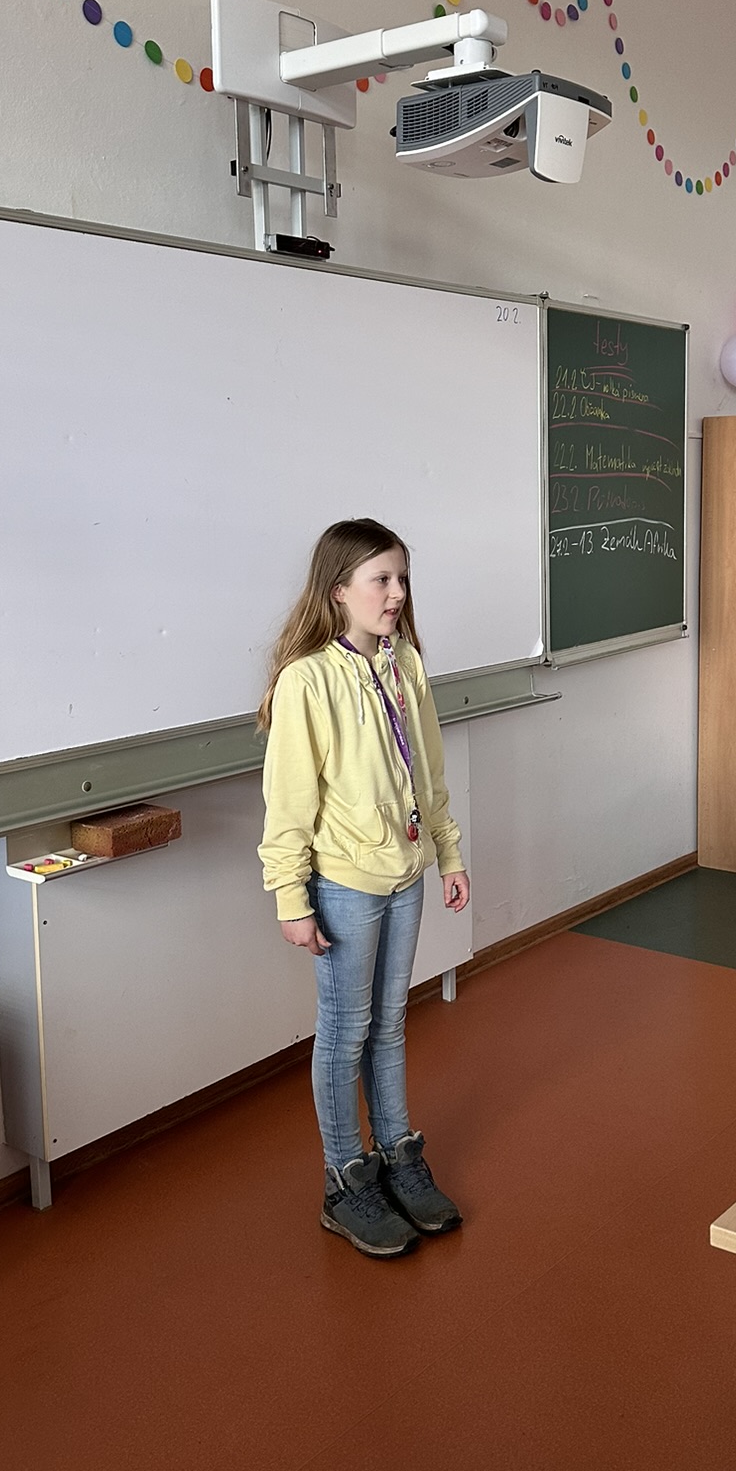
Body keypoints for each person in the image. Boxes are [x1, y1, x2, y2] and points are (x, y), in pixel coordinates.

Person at [258, 518, 469, 1260]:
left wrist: (448, 853)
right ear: (339, 590)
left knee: (390, 1025)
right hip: (345, 883)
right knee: (345, 1032)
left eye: (402, 578)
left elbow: (428, 771)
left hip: (405, 873)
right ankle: (345, 1183)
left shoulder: (403, 662)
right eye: (381, 579)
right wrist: (291, 898)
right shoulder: (307, 680)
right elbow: (288, 805)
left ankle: (398, 1160)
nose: (397, 593)